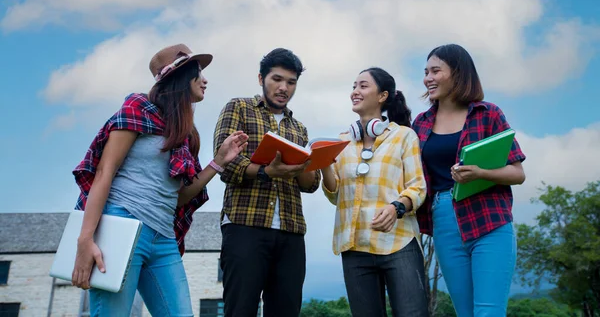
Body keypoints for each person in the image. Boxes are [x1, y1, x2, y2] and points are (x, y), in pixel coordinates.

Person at [70, 44, 248, 316]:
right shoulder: (138, 107)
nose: (205, 80)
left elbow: (180, 197)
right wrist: (85, 240)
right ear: (178, 77)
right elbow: (105, 172)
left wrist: (219, 161)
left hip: (163, 238)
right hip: (122, 226)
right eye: (197, 73)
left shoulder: (185, 133)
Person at [412, 44, 527, 317]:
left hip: (489, 219)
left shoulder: (488, 114)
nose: (428, 78)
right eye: (425, 72)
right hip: (444, 220)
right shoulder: (421, 123)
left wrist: (480, 173)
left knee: (488, 312)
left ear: (458, 73)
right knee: (465, 312)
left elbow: (517, 173)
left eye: (435, 71)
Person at [213, 47, 322, 317]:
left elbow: (310, 185)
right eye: (277, 79)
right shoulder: (238, 107)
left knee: (286, 310)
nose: (284, 87)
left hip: (291, 230)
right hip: (245, 226)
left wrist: (306, 165)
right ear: (261, 79)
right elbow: (224, 163)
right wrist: (265, 172)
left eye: (291, 82)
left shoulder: (299, 129)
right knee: (240, 309)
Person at [321, 67, 429, 317]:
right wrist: (324, 163)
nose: (355, 92)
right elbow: (336, 195)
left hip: (399, 243)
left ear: (382, 96)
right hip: (354, 246)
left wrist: (397, 207)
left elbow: (418, 187)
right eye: (353, 86)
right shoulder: (341, 141)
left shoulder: (404, 136)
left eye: (363, 86)